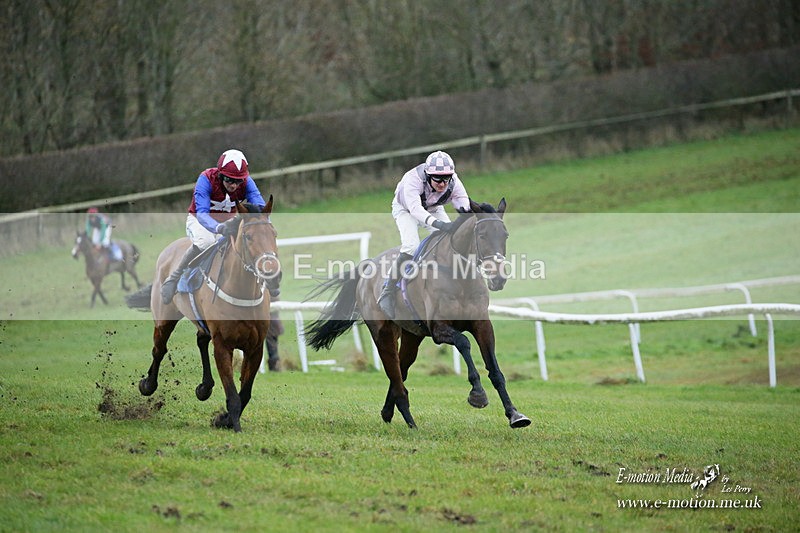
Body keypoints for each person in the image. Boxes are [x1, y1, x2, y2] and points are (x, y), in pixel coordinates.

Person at [160, 148, 271, 304]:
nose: (234, 185)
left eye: (238, 181)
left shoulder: (246, 182)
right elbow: (202, 213)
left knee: (245, 244)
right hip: (200, 220)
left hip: (228, 221)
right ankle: (174, 277)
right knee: (206, 242)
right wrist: (218, 228)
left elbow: (260, 205)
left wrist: (264, 225)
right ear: (220, 175)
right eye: (229, 180)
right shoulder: (206, 179)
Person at [377, 150, 471, 318]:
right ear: (428, 176)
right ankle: (388, 290)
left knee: (449, 242)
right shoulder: (413, 179)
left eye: (446, 178)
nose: (443, 184)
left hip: (433, 208)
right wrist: (440, 224)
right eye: (437, 179)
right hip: (405, 209)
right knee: (411, 246)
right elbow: (416, 210)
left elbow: (463, 203)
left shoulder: (454, 181)